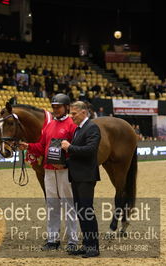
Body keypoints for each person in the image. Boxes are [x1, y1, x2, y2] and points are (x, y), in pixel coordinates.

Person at [19, 93, 79, 252]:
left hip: (65, 170)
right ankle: (53, 239)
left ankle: (73, 239)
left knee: (69, 205)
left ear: (66, 107)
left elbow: (76, 149)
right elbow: (41, 147)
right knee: (52, 205)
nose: (55, 109)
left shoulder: (72, 125)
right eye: (53, 107)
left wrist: (66, 162)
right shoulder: (49, 125)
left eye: (58, 107)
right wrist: (28, 146)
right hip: (49, 170)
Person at [61, 101, 101, 258]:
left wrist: (69, 147)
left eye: (74, 114)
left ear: (84, 112)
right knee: (81, 211)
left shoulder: (92, 127)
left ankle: (93, 247)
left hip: (86, 176)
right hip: (77, 176)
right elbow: (78, 153)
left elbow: (91, 151)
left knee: (87, 210)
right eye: (70, 114)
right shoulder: (79, 129)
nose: (71, 117)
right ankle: (87, 244)